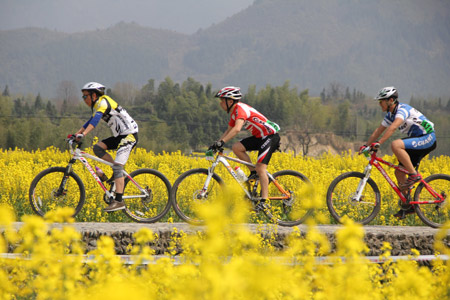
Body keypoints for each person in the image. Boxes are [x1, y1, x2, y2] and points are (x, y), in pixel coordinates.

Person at [360, 86, 436, 219]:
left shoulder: (402, 110)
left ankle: (414, 175)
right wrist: (365, 146)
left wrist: (379, 143)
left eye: (381, 101)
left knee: (395, 144)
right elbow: (378, 131)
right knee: (399, 172)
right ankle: (408, 206)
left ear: (390, 100)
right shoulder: (390, 114)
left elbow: (394, 127)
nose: (379, 104)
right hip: (416, 140)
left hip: (427, 137)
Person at [209, 86, 281, 210]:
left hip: (270, 137)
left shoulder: (240, 109)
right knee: (236, 147)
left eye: (222, 101)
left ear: (230, 101)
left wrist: (222, 142)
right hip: (260, 137)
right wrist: (217, 143)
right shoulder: (234, 112)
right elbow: (229, 130)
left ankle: (265, 201)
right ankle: (253, 173)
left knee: (261, 168)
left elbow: (237, 129)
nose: (220, 104)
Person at [75, 82, 139, 212]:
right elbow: (89, 121)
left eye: (85, 96)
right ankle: (116, 173)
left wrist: (84, 134)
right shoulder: (98, 105)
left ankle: (119, 201)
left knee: (117, 167)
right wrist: (78, 133)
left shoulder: (103, 102)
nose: (84, 100)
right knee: (97, 148)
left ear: (94, 95)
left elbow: (95, 121)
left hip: (129, 135)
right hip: (120, 136)